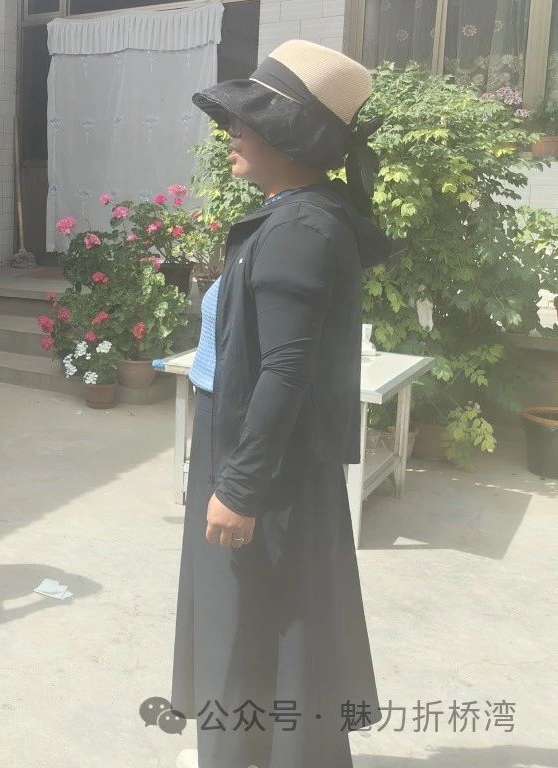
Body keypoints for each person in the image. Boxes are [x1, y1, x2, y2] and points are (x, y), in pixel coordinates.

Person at [171, 41, 391, 768]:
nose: (233, 132)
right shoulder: (298, 215)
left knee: (250, 630)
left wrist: (239, 487)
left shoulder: (299, 229)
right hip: (255, 449)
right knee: (263, 624)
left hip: (262, 463)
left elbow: (286, 371)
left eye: (250, 121)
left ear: (291, 137)